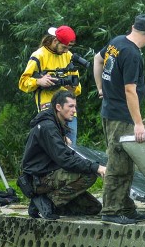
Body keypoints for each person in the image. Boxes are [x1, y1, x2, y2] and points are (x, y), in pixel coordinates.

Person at [93, 13, 145, 225]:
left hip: (109, 110)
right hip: (122, 117)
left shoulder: (117, 41)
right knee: (118, 163)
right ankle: (111, 210)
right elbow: (130, 90)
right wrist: (139, 122)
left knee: (127, 163)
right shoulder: (132, 54)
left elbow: (97, 58)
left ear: (133, 27)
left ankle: (126, 207)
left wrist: (100, 89)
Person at [20, 91, 104, 220]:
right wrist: (96, 167)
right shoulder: (48, 127)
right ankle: (47, 202)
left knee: (93, 208)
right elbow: (65, 159)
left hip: (49, 172)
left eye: (75, 107)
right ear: (58, 107)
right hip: (39, 179)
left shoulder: (56, 124)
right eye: (70, 106)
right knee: (89, 174)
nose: (74, 111)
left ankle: (46, 203)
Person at [19, 25, 81, 144]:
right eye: (64, 47)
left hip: (69, 111)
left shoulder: (68, 56)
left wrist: (71, 87)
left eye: (68, 48)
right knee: (55, 149)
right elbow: (23, 83)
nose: (66, 51)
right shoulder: (39, 55)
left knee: (71, 150)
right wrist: (38, 81)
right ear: (55, 41)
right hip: (49, 111)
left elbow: (77, 87)